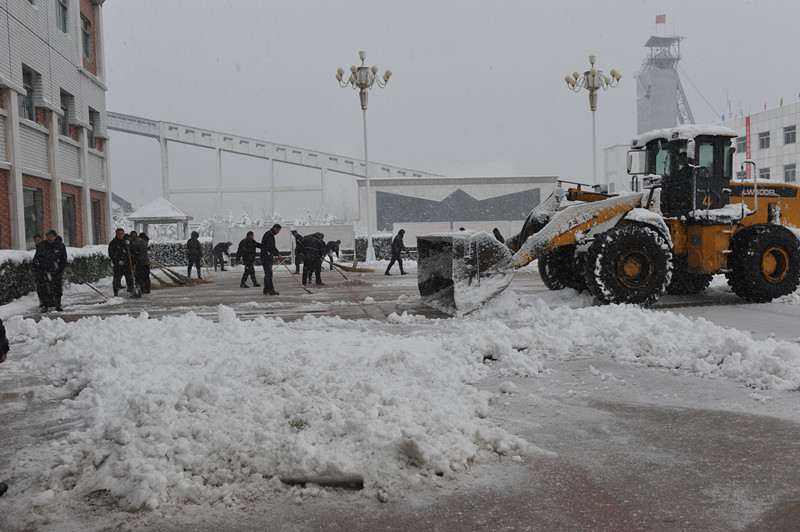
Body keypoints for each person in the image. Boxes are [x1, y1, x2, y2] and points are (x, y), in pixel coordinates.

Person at [33, 230, 68, 312]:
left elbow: (63, 259)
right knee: (44, 289)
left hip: (56, 272)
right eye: (48, 237)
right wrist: (38, 268)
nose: (49, 238)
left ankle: (58, 304)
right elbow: (36, 258)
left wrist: (60, 269)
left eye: (51, 237)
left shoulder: (60, 246)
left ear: (55, 237)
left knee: (57, 288)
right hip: (44, 271)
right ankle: (45, 305)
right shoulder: (42, 246)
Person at [108, 228, 134, 297]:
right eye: (118, 234)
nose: (120, 235)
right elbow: (111, 254)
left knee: (130, 279)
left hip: (127, 264)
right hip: (118, 265)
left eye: (121, 234)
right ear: (116, 234)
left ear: (124, 233)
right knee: (116, 279)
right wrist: (117, 261)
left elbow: (132, 251)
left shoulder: (127, 241)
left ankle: (132, 291)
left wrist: (130, 244)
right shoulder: (113, 243)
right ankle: (115, 294)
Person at [260, 224, 283, 295]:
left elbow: (271, 247)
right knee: (268, 273)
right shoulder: (269, 235)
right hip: (266, 256)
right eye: (278, 230)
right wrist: (278, 254)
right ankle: (271, 290)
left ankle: (266, 289)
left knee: (268, 273)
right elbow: (271, 246)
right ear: (275, 228)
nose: (278, 232)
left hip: (266, 255)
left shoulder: (269, 234)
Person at [30, 234, 48, 309]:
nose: (36, 242)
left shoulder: (43, 247)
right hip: (39, 271)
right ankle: (43, 302)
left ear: (41, 239)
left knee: (42, 287)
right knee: (41, 287)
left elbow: (43, 258)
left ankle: (44, 302)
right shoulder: (40, 247)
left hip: (42, 271)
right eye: (35, 240)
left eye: (37, 240)